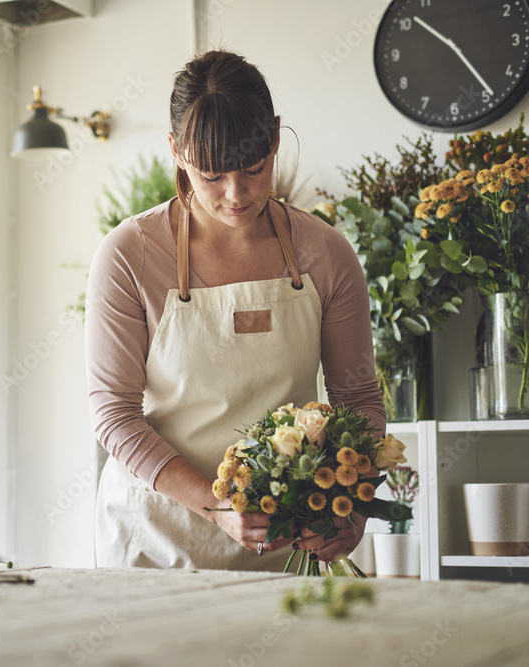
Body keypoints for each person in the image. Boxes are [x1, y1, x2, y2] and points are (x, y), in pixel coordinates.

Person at [85, 50, 385, 571]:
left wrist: (353, 507)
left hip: (289, 548)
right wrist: (215, 505)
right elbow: (113, 415)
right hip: (157, 545)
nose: (235, 194)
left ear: (273, 139)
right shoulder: (129, 255)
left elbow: (357, 398)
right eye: (210, 175)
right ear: (176, 151)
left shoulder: (326, 254)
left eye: (253, 169)